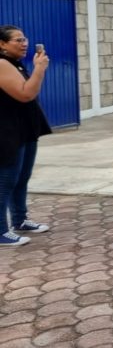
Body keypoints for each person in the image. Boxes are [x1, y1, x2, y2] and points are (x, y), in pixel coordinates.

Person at [0, 25, 52, 247]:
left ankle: (20, 220)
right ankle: (1, 231)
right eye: (18, 40)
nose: (24, 43)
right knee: (6, 180)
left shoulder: (15, 63)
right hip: (8, 131)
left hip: (25, 128)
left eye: (25, 39)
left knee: (22, 177)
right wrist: (39, 68)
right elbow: (25, 93)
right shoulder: (2, 64)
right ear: (2, 44)